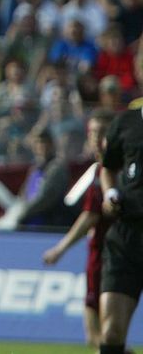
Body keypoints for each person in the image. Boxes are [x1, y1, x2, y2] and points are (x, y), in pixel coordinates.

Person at [43, 110, 115, 349]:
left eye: (102, 132)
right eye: (92, 132)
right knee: (102, 338)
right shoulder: (102, 168)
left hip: (108, 254)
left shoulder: (109, 169)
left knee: (100, 337)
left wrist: (60, 249)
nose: (96, 138)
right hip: (104, 253)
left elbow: (90, 216)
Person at [98, 104, 143, 354]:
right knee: (112, 332)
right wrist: (110, 193)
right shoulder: (125, 122)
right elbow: (108, 167)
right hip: (126, 236)